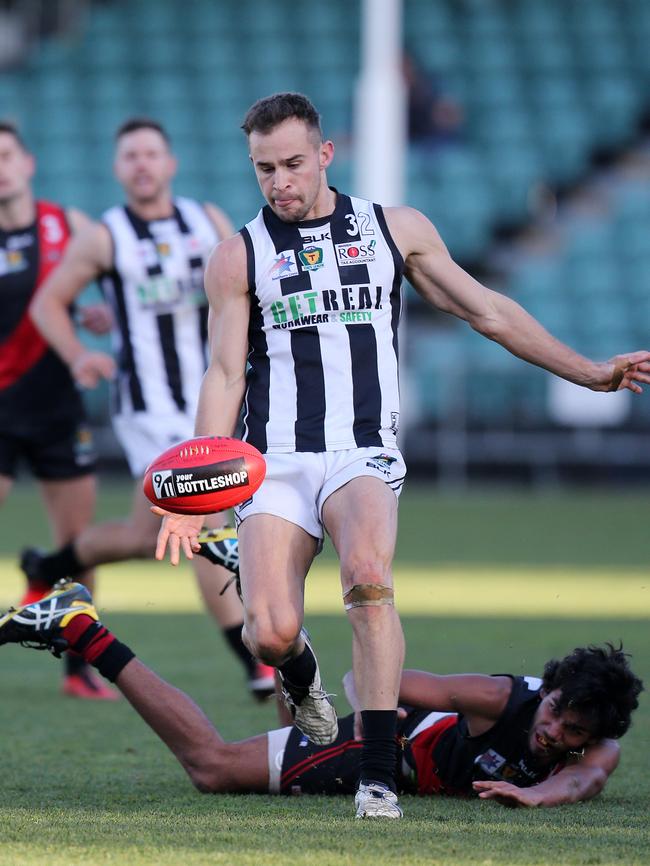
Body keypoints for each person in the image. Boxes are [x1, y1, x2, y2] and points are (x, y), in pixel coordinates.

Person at [153, 92, 650, 819]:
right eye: (265, 170)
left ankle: (378, 779)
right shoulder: (238, 255)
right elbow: (225, 375)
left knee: (367, 578)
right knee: (269, 632)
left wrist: (590, 370)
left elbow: (488, 310)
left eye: (293, 163)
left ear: (326, 154)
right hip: (277, 458)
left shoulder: (394, 229)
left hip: (362, 450)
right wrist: (191, 489)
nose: (281, 182)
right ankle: (302, 678)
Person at [23, 117, 274, 700]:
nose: (141, 164)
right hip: (147, 407)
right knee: (205, 512)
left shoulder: (205, 220)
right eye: (130, 155)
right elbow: (49, 304)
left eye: (151, 154)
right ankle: (253, 661)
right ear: (118, 169)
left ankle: (47, 563)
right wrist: (79, 354)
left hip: (211, 394)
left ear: (170, 164)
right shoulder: (105, 235)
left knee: (145, 537)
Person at [0, 582, 643, 810]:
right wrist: (368, 732)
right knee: (213, 768)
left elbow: (579, 786)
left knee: (292, 723)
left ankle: (279, 630)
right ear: (550, 691)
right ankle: (79, 627)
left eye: (573, 731)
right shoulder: (498, 699)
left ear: (597, 735)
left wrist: (532, 793)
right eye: (556, 711)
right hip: (384, 750)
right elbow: (371, 679)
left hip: (393, 753)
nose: (554, 731)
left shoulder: (596, 752)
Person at [0, 120, 116, 700]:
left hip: (55, 406)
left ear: (27, 163)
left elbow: (117, 278)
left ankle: (79, 669)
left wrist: (99, 314)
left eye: (6, 156)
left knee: (78, 543)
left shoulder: (67, 224)